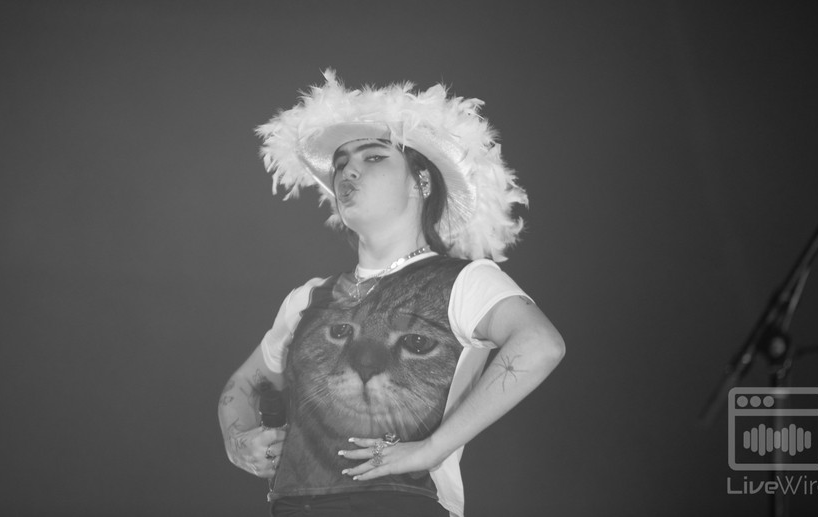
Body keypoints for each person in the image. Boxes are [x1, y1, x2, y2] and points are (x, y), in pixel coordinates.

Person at [218, 70, 565, 517]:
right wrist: (238, 440)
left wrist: (431, 448)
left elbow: (540, 344)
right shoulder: (308, 298)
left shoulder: (463, 280)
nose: (348, 170)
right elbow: (243, 385)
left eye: (374, 157)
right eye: (341, 163)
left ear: (421, 181)